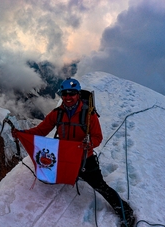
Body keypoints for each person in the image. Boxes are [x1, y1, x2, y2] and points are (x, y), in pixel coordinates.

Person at [13, 78, 135, 227]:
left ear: (78, 94)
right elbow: (40, 130)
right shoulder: (57, 114)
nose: (68, 97)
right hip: (64, 156)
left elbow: (98, 137)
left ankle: (125, 211)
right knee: (53, 176)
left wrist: (89, 144)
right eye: (65, 94)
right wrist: (22, 133)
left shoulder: (89, 115)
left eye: (72, 94)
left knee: (99, 186)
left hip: (84, 157)